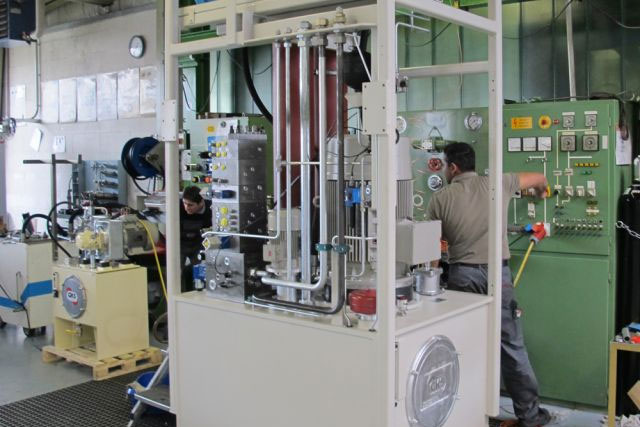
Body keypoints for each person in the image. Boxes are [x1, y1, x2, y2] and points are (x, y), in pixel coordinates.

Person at [426, 142, 551, 427]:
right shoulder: (499, 183)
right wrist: (540, 193)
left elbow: (434, 247)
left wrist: (431, 280)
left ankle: (465, 415)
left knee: (461, 345)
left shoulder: (440, 199)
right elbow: (540, 178)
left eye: (444, 166)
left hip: (463, 277)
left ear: (453, 167)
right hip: (499, 275)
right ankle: (530, 416)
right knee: (512, 346)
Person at [179, 186, 212, 290]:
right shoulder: (177, 207)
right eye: (184, 203)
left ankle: (199, 292)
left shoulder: (211, 209)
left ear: (201, 202)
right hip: (180, 244)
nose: (186, 207)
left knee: (200, 274)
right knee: (175, 274)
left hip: (199, 245)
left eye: (190, 205)